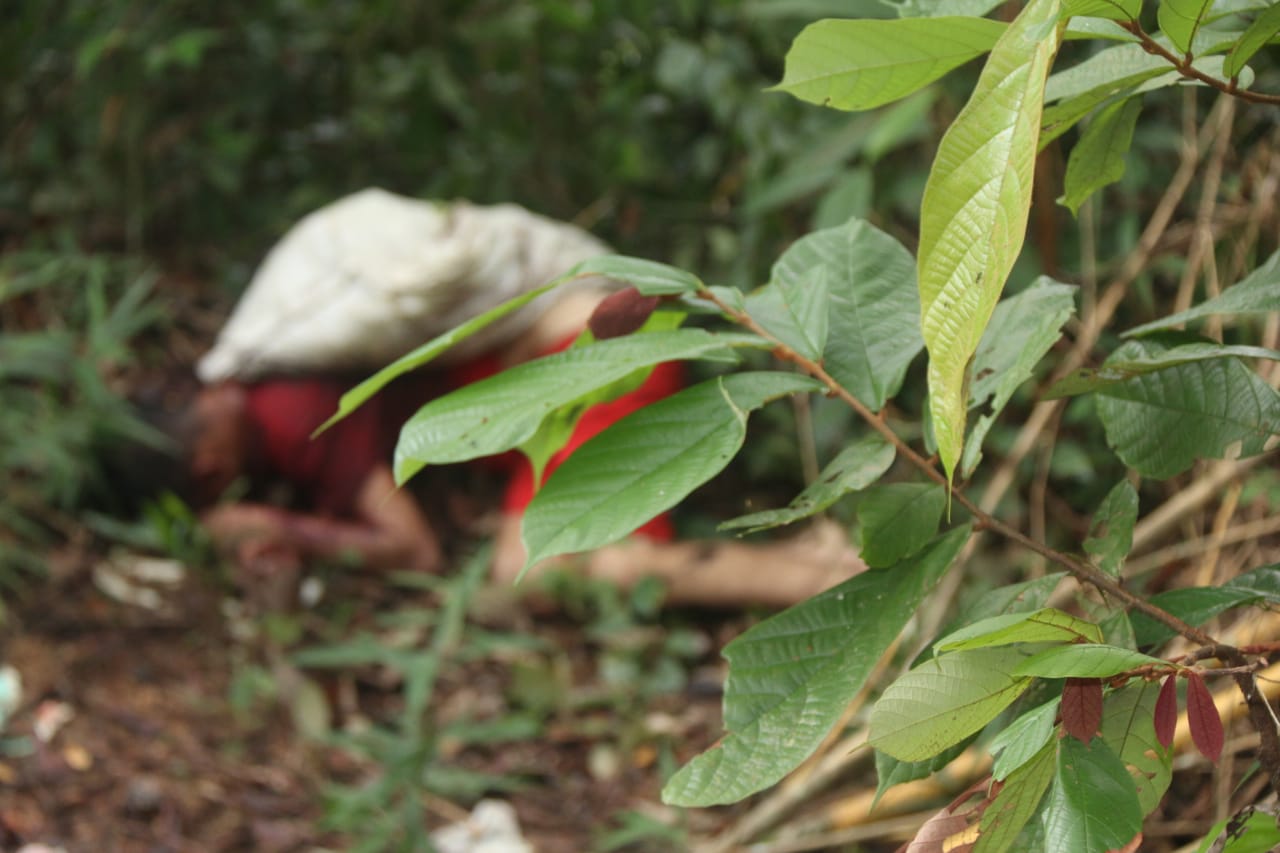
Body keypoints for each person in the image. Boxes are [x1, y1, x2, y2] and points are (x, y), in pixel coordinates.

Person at [144, 191, 864, 609]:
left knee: (546, 569)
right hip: (596, 338)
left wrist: (270, 525)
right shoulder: (271, 374)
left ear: (206, 469)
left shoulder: (288, 406)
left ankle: (837, 584)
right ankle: (823, 551)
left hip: (592, 353)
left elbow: (412, 548)